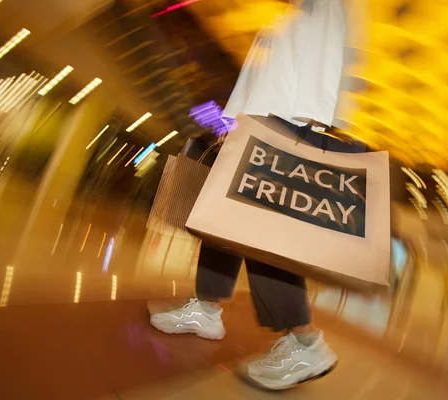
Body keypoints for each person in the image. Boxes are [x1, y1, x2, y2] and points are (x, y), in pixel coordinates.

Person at [149, 0, 360, 390]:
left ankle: (306, 342)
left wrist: (300, 130)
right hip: (254, 124)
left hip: (278, 126)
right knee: (222, 222)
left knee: (262, 235)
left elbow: (322, 61)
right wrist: (231, 121)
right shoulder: (290, 9)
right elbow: (264, 73)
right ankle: (207, 309)